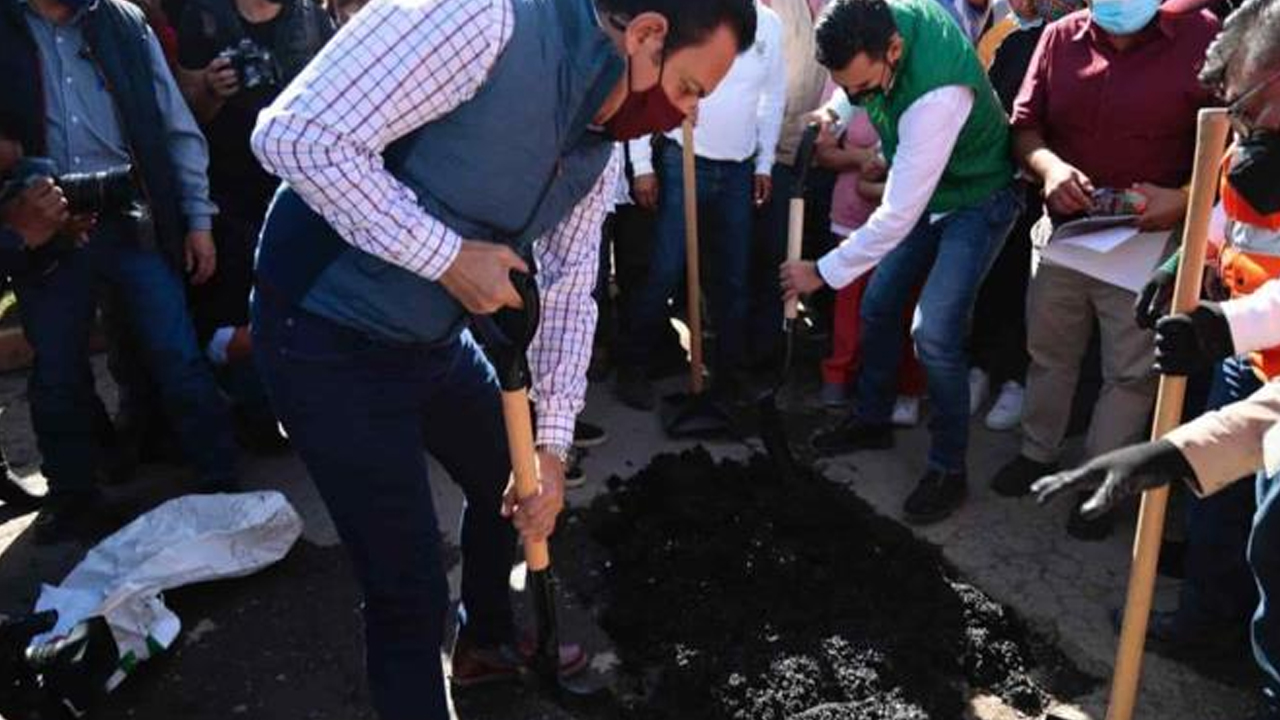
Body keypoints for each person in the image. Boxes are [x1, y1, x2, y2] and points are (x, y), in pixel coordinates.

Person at [248, 0, 756, 717]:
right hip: (324, 334)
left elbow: (573, 290)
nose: (684, 118)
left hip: (430, 339)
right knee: (409, 585)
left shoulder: (597, 141)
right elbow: (294, 138)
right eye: (688, 91)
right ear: (646, 34)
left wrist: (549, 451)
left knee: (510, 484)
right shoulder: (486, 18)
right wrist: (446, 258)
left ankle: (485, 641)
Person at [0, 0, 239, 544]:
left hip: (134, 216)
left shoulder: (124, 22)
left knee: (175, 349)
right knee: (57, 369)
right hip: (44, 223)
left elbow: (175, 126)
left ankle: (220, 474)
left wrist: (197, 219)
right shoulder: (7, 28)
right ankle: (73, 497)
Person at [780, 0, 1021, 525]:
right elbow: (855, 88)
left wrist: (819, 272)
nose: (858, 97)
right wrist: (835, 113)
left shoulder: (936, 94)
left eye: (864, 88)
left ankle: (948, 468)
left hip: (977, 197)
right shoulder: (871, 22)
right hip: (929, 192)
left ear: (893, 49)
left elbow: (894, 216)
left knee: (933, 332)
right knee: (879, 305)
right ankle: (872, 418)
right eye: (848, 88)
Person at [988, 0, 1220, 540]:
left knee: (1130, 374)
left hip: (1149, 243)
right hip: (1068, 234)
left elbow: (1230, 141)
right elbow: (1025, 127)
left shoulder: (1201, 37)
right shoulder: (1060, 38)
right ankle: (1037, 452)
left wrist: (1185, 199)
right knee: (1049, 351)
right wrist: (1050, 169)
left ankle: (1101, 486)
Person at [174, 0, 331, 452]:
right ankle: (259, 414)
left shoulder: (309, 14)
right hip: (232, 198)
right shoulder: (203, 16)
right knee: (239, 320)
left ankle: (316, 406)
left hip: (306, 190)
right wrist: (209, 88)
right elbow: (183, 111)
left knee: (317, 304)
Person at [617, 0, 786, 408]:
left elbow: (773, 97)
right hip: (683, 160)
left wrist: (764, 161)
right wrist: (641, 165)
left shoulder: (769, 26)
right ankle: (634, 367)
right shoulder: (692, 13)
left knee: (733, 278)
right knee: (665, 268)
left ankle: (729, 375)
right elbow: (648, 79)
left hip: (738, 168)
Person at [968, 0, 1083, 432]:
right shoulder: (1007, 36)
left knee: (1030, 290)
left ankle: (1015, 379)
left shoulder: (1073, 40)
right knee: (991, 279)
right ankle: (978, 367)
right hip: (996, 182)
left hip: (1050, 189)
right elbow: (983, 101)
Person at [816, 111, 927, 423]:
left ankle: (907, 386)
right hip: (852, 218)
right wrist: (863, 157)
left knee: (906, 308)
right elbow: (824, 151)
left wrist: (878, 189)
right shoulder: (844, 85)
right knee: (849, 307)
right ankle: (840, 376)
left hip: (907, 225)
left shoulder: (930, 92)